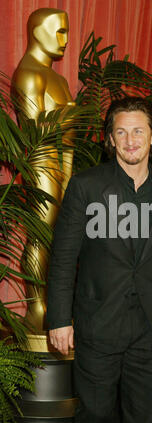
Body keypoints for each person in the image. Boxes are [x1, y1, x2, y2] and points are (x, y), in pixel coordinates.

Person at [46, 97, 152, 423]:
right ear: (110, 139)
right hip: (99, 322)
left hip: (149, 325)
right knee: (94, 418)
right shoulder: (87, 186)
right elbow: (64, 259)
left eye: (138, 131)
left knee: (143, 422)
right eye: (121, 132)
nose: (131, 140)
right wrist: (58, 319)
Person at [11, 8, 76, 332]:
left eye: (66, 31)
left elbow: (69, 136)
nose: (65, 39)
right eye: (59, 31)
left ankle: (50, 304)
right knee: (40, 237)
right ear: (38, 32)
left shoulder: (58, 78)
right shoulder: (28, 74)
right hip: (40, 164)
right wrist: (72, 115)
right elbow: (35, 132)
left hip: (61, 162)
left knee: (55, 238)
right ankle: (36, 307)